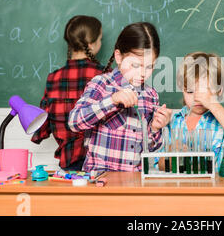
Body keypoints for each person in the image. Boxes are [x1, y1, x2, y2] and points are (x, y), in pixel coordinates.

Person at [68, 22, 172, 172]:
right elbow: (74, 122)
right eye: (136, 65)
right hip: (102, 182)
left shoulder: (151, 95)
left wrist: (155, 128)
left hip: (135, 183)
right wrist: (112, 101)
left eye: (149, 66)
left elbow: (150, 149)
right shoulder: (101, 84)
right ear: (119, 57)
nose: (143, 73)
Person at [32, 15, 104, 171]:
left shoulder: (54, 79)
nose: (101, 43)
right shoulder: (105, 76)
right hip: (101, 162)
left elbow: (42, 128)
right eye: (100, 40)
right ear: (91, 45)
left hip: (69, 163)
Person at [157, 52, 224, 173]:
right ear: (182, 90)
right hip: (180, 189)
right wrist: (171, 155)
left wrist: (212, 103)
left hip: (214, 189)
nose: (197, 98)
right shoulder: (174, 122)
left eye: (205, 93)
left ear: (220, 90)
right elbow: (160, 165)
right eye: (190, 92)